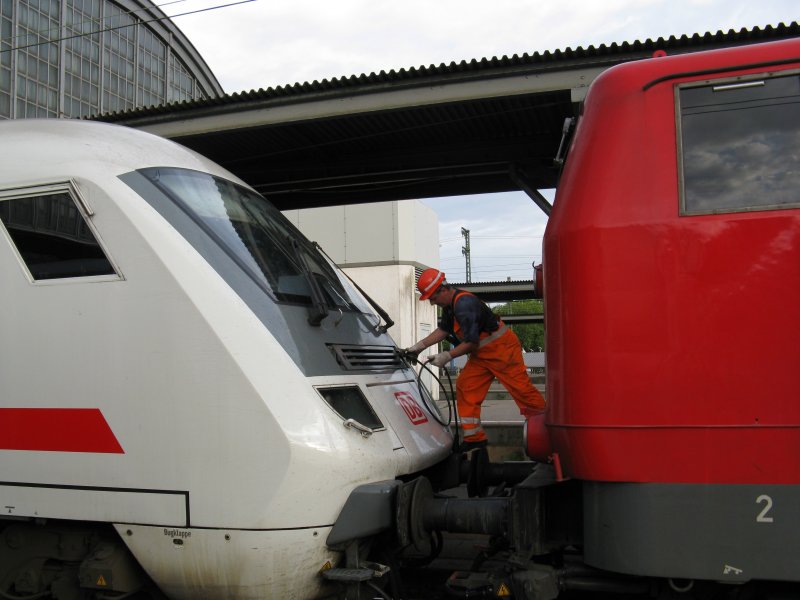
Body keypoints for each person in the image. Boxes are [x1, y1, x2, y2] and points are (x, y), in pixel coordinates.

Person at [405, 268, 545, 450]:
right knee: (466, 385)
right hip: (483, 354)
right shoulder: (451, 306)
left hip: (502, 350)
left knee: (522, 391)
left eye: (433, 298)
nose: (432, 303)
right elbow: (443, 331)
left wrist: (446, 356)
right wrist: (417, 347)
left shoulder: (464, 304)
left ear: (443, 290)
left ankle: (546, 431)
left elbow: (471, 342)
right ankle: (474, 438)